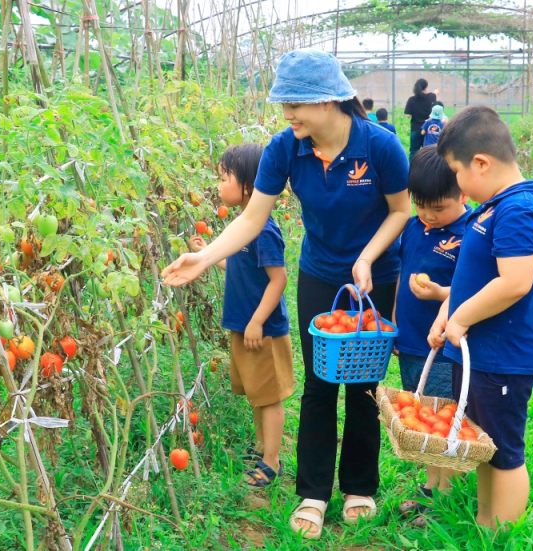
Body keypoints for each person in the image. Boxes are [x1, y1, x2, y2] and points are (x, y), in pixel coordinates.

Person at [162, 49, 411, 538]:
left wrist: (366, 257)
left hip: (375, 277)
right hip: (319, 274)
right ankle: (313, 493)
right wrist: (205, 257)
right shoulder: (285, 148)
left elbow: (400, 211)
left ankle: (360, 487)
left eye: (296, 102)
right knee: (320, 385)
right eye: (285, 104)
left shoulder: (380, 146)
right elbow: (253, 218)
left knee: (363, 386)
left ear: (331, 100)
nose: (288, 113)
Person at [428, 106, 533, 529]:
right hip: (480, 354)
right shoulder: (495, 207)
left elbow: (515, 281)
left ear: (481, 162)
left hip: (503, 357)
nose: (457, 185)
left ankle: (501, 534)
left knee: (505, 453)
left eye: (457, 172)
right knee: (483, 443)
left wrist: (461, 318)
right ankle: (486, 521)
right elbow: (474, 277)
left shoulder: (517, 210)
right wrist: (448, 311)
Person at [188, 144, 293, 490]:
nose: (218, 186)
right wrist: (207, 256)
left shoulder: (263, 230)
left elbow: (279, 279)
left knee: (269, 396)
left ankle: (271, 461)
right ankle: (262, 446)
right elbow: (235, 266)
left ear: (248, 185)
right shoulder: (243, 226)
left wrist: (258, 321)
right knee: (255, 392)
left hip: (260, 329)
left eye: (223, 178)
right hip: (245, 325)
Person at [392, 145, 471, 527]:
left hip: (444, 347)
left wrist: (440, 294)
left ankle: (444, 498)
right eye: (420, 205)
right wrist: (393, 322)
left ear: (464, 194)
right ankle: (430, 486)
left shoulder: (469, 233)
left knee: (444, 419)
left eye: (438, 208)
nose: (428, 215)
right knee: (422, 416)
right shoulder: (412, 227)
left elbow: (470, 291)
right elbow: (400, 276)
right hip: (410, 340)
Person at [404, 78, 438, 159]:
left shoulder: (411, 99)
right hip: (427, 129)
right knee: (427, 151)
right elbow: (435, 93)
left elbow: (407, 115)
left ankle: (412, 169)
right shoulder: (430, 97)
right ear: (426, 88)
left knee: (413, 151)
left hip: (415, 128)